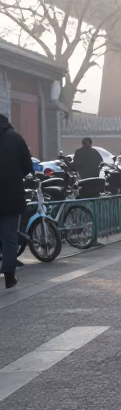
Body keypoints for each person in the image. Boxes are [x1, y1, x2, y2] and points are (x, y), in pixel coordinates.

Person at [0, 113, 33, 290]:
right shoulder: (15, 138)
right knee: (9, 237)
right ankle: (9, 276)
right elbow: (28, 166)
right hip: (11, 196)